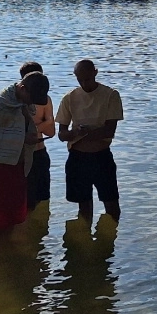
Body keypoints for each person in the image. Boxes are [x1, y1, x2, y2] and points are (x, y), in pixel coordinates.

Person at [0, 71, 51, 231]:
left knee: (16, 217)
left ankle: (11, 249)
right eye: (32, 98)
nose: (33, 103)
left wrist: (27, 139)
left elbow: (19, 129)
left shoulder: (23, 104)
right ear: (23, 88)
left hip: (19, 166)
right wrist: (25, 140)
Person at [56, 59, 124, 221]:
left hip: (101, 156)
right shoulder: (69, 98)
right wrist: (76, 133)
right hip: (77, 158)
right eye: (80, 80)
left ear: (95, 73)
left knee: (112, 206)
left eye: (87, 79)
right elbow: (61, 134)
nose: (84, 83)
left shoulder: (110, 95)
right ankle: (84, 240)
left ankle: (109, 239)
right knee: (84, 209)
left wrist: (85, 134)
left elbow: (109, 131)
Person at [19, 61, 56, 211]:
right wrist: (42, 123)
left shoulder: (45, 100)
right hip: (22, 156)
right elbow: (48, 124)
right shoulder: (17, 101)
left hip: (40, 153)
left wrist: (33, 128)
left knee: (42, 200)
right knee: (26, 201)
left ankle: (39, 232)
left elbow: (51, 131)